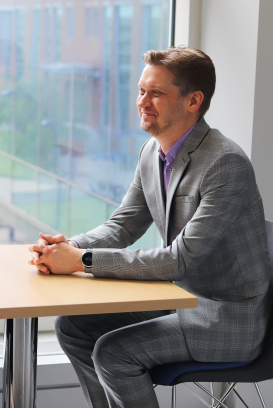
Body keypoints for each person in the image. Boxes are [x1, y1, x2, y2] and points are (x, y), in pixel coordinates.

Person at [28, 47, 271, 408]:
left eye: (155, 93)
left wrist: (81, 260)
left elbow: (177, 261)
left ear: (193, 101)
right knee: (72, 326)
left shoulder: (225, 163)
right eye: (141, 91)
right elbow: (123, 225)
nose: (143, 101)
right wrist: (66, 248)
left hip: (226, 319)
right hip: (180, 301)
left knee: (113, 353)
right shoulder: (151, 152)